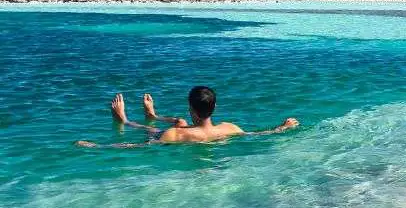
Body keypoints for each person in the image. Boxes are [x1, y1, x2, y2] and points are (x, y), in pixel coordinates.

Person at [77, 86, 299, 148]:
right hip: (203, 133)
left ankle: (125, 120)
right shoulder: (229, 128)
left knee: (162, 129)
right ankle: (152, 114)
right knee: (180, 122)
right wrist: (284, 126)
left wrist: (96, 146)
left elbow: (136, 146)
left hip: (183, 135)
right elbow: (259, 135)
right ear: (215, 107)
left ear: (192, 109)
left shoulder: (175, 135)